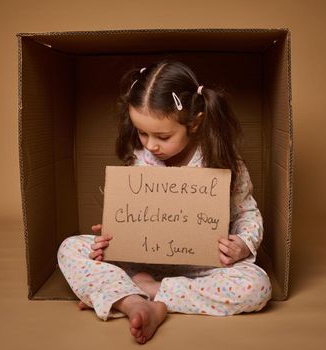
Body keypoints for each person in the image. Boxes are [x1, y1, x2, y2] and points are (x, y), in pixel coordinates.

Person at [57, 60, 272, 344]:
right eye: (142, 132)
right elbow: (129, 216)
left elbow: (248, 213)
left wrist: (242, 244)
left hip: (204, 268)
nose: (150, 145)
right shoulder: (140, 159)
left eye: (163, 136)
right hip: (140, 262)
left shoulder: (225, 162)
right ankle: (134, 302)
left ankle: (145, 294)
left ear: (194, 123)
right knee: (70, 248)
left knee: (256, 287)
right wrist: (111, 235)